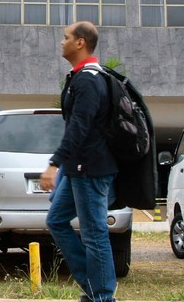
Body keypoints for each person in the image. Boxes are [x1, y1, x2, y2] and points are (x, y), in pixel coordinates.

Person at [40, 21, 118, 302]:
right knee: (57, 220)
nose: (62, 42)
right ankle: (94, 286)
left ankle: (103, 296)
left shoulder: (89, 79)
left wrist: (54, 164)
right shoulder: (78, 77)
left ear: (81, 42)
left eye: (66, 37)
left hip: (91, 169)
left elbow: (79, 127)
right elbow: (75, 124)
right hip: (77, 169)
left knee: (94, 234)